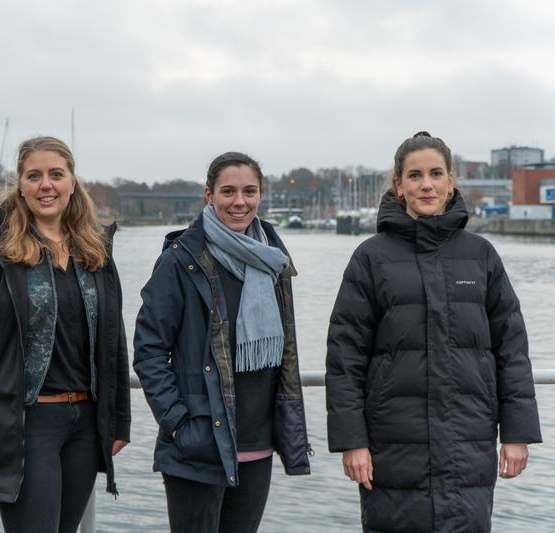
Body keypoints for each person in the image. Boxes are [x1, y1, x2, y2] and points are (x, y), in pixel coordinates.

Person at [325, 132, 542, 532]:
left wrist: (517, 433)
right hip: (392, 445)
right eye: (415, 175)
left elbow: (511, 350)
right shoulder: (370, 258)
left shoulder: (481, 256)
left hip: (469, 443)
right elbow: (344, 359)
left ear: (450, 182)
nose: (426, 184)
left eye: (435, 174)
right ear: (399, 187)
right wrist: (352, 441)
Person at [0, 136, 130, 533]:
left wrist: (119, 420)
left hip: (84, 421)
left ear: (71, 182)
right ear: (21, 185)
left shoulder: (95, 248)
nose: (45, 185)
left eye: (55, 174)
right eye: (34, 176)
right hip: (27, 423)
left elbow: (114, 339)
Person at [134, 152, 312, 532]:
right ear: (209, 195)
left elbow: (287, 354)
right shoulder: (181, 262)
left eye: (249, 191)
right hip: (200, 443)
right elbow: (148, 350)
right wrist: (180, 424)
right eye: (228, 191)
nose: (239, 202)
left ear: (261, 195)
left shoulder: (274, 260)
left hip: (258, 443)